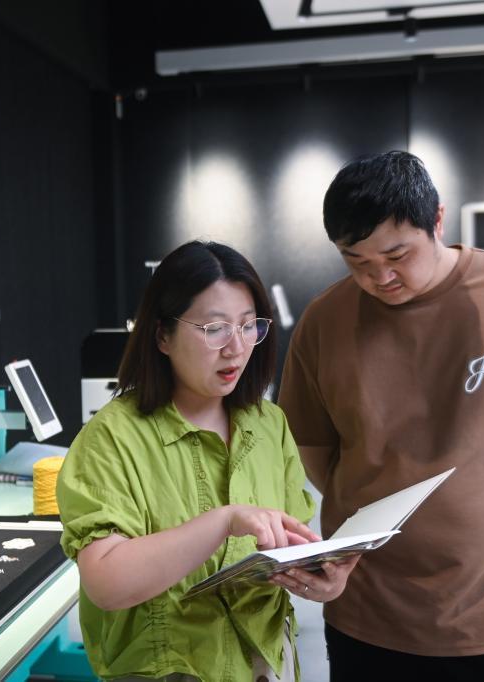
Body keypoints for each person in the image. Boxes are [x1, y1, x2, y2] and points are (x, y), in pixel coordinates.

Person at [278, 151, 484, 681]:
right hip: (369, 611)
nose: (380, 276)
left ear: (437, 219)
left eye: (397, 254)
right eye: (356, 261)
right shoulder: (324, 320)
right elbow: (316, 451)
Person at [56, 240, 358, 681]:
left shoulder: (269, 425)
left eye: (249, 325)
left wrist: (321, 579)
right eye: (215, 329)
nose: (236, 347)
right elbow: (107, 584)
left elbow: (286, 547)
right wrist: (223, 521)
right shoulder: (112, 438)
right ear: (162, 335)